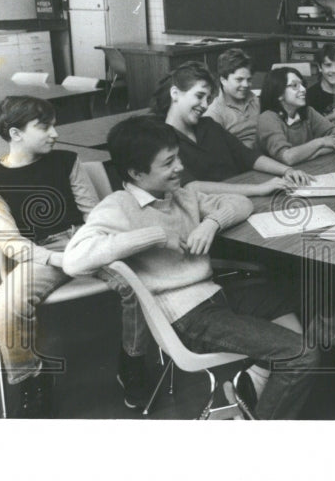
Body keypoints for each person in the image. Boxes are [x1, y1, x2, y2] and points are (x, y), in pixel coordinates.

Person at [63, 116, 320, 419]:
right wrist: (155, 236)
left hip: (213, 295)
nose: (180, 167)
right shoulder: (118, 206)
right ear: (136, 173)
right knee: (302, 354)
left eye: (178, 157)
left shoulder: (180, 194)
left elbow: (240, 205)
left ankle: (255, 383)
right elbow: (73, 260)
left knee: (292, 293)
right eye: (169, 162)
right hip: (187, 316)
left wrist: (211, 224)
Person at [0, 96, 150, 417]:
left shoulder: (67, 161)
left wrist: (86, 250)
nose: (55, 133)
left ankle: (132, 361)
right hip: (41, 255)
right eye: (45, 127)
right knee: (5, 303)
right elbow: (11, 243)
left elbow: (95, 216)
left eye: (54, 125)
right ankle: (32, 380)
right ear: (16, 134)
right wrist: (59, 260)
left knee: (138, 280)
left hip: (85, 240)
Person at [150, 62, 312, 196]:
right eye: (199, 96)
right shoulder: (160, 139)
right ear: (175, 93)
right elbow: (191, 187)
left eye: (208, 99)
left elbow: (248, 156)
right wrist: (259, 189)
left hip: (243, 198)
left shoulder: (209, 126)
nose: (205, 105)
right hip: (213, 207)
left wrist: (287, 170)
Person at [256, 66, 335, 164]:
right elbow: (287, 157)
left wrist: (314, 154)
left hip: (307, 169)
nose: (303, 89)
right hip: (274, 177)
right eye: (295, 85)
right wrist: (320, 142)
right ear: (279, 94)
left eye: (302, 84)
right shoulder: (267, 118)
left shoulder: (307, 111)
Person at [203, 48, 260, 148]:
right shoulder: (214, 114)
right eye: (239, 79)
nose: (246, 85)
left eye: (249, 79)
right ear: (223, 80)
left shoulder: (256, 100)